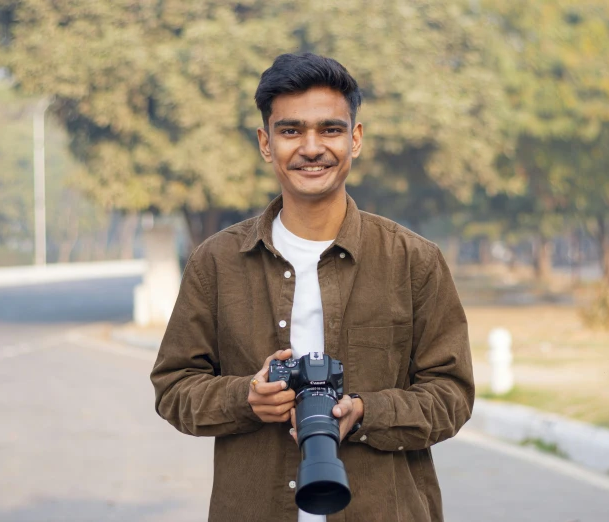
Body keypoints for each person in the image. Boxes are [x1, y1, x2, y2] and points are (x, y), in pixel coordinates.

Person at [150, 53, 474, 522]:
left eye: (330, 129)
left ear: (355, 139)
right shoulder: (218, 262)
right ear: (266, 143)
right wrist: (246, 398)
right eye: (290, 130)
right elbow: (173, 388)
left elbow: (452, 395)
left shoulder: (412, 260)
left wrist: (364, 412)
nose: (311, 147)